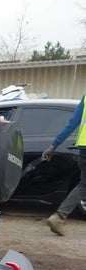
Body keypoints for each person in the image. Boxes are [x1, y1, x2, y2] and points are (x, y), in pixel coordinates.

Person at [41, 92, 86, 236]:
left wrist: (53, 146)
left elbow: (72, 123)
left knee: (84, 184)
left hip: (84, 149)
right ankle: (59, 217)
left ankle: (59, 217)